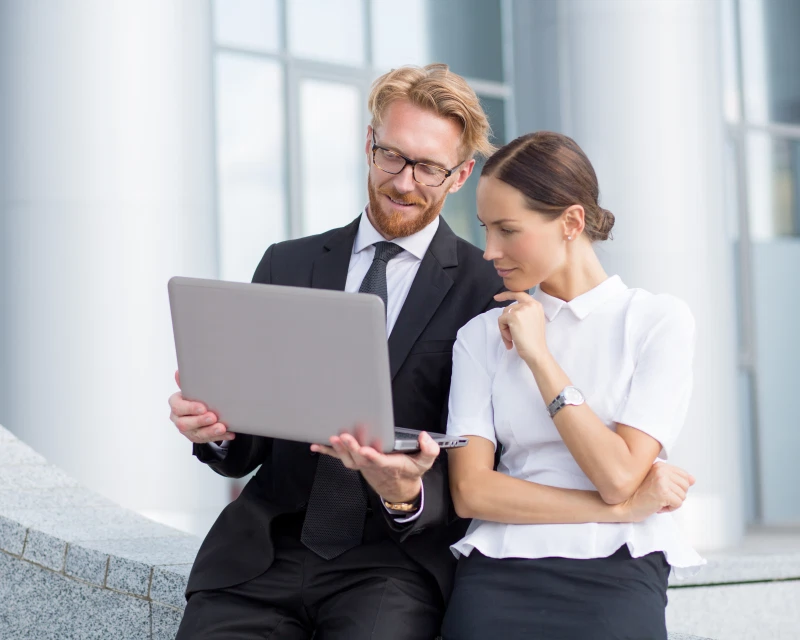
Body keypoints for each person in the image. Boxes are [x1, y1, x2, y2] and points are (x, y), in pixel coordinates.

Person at [168, 64, 504, 640]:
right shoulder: (287, 264)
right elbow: (249, 441)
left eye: (428, 168)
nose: (403, 182)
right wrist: (218, 428)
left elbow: (492, 457)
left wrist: (408, 497)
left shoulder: (487, 289)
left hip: (391, 566)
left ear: (461, 175)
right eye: (392, 156)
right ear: (368, 144)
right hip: (264, 554)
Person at [441, 131, 705, 640]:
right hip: (498, 570)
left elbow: (617, 474)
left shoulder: (656, 321)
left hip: (617, 571)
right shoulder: (479, 336)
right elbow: (471, 491)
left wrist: (540, 358)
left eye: (508, 229)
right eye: (485, 229)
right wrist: (623, 510)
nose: (489, 250)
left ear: (571, 221)